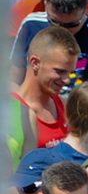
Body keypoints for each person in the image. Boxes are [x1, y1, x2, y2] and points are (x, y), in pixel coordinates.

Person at [13, 26, 78, 156]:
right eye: (60, 71)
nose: (67, 80)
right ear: (35, 63)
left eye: (70, 73)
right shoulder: (13, 112)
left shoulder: (62, 104)